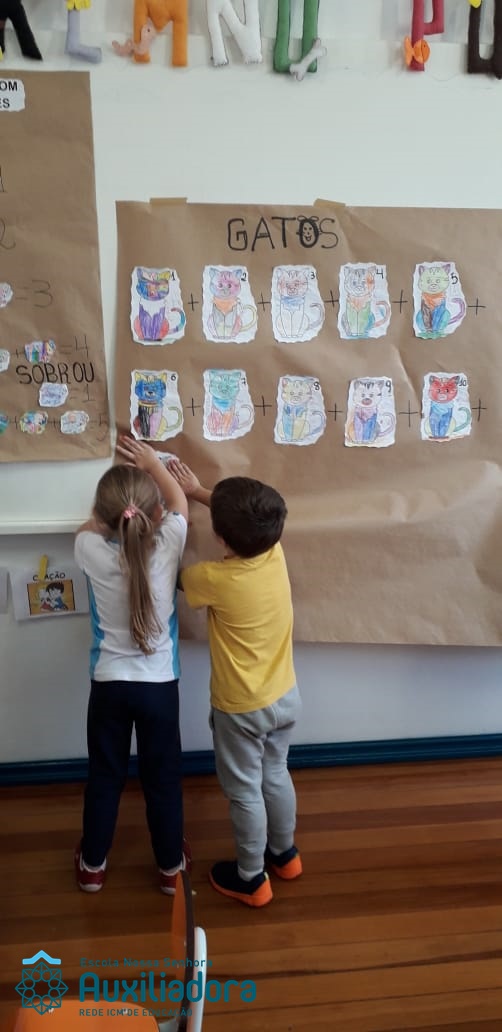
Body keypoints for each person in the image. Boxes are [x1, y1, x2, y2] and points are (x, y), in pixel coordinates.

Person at [169, 458, 302, 908]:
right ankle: (285, 855)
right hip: (285, 696)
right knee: (275, 773)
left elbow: (170, 574)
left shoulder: (212, 578)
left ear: (221, 537)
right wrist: (200, 492)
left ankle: (251, 877)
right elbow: (247, 524)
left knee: (244, 790)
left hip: (241, 709)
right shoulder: (274, 552)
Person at [73, 437, 190, 894]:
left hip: (109, 686)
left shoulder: (87, 546)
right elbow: (179, 502)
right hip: (159, 688)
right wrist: (152, 464)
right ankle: (170, 870)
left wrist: (111, 511)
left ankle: (92, 867)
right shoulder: (170, 540)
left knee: (105, 777)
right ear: (155, 515)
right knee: (163, 780)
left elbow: (94, 523)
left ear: (103, 519)